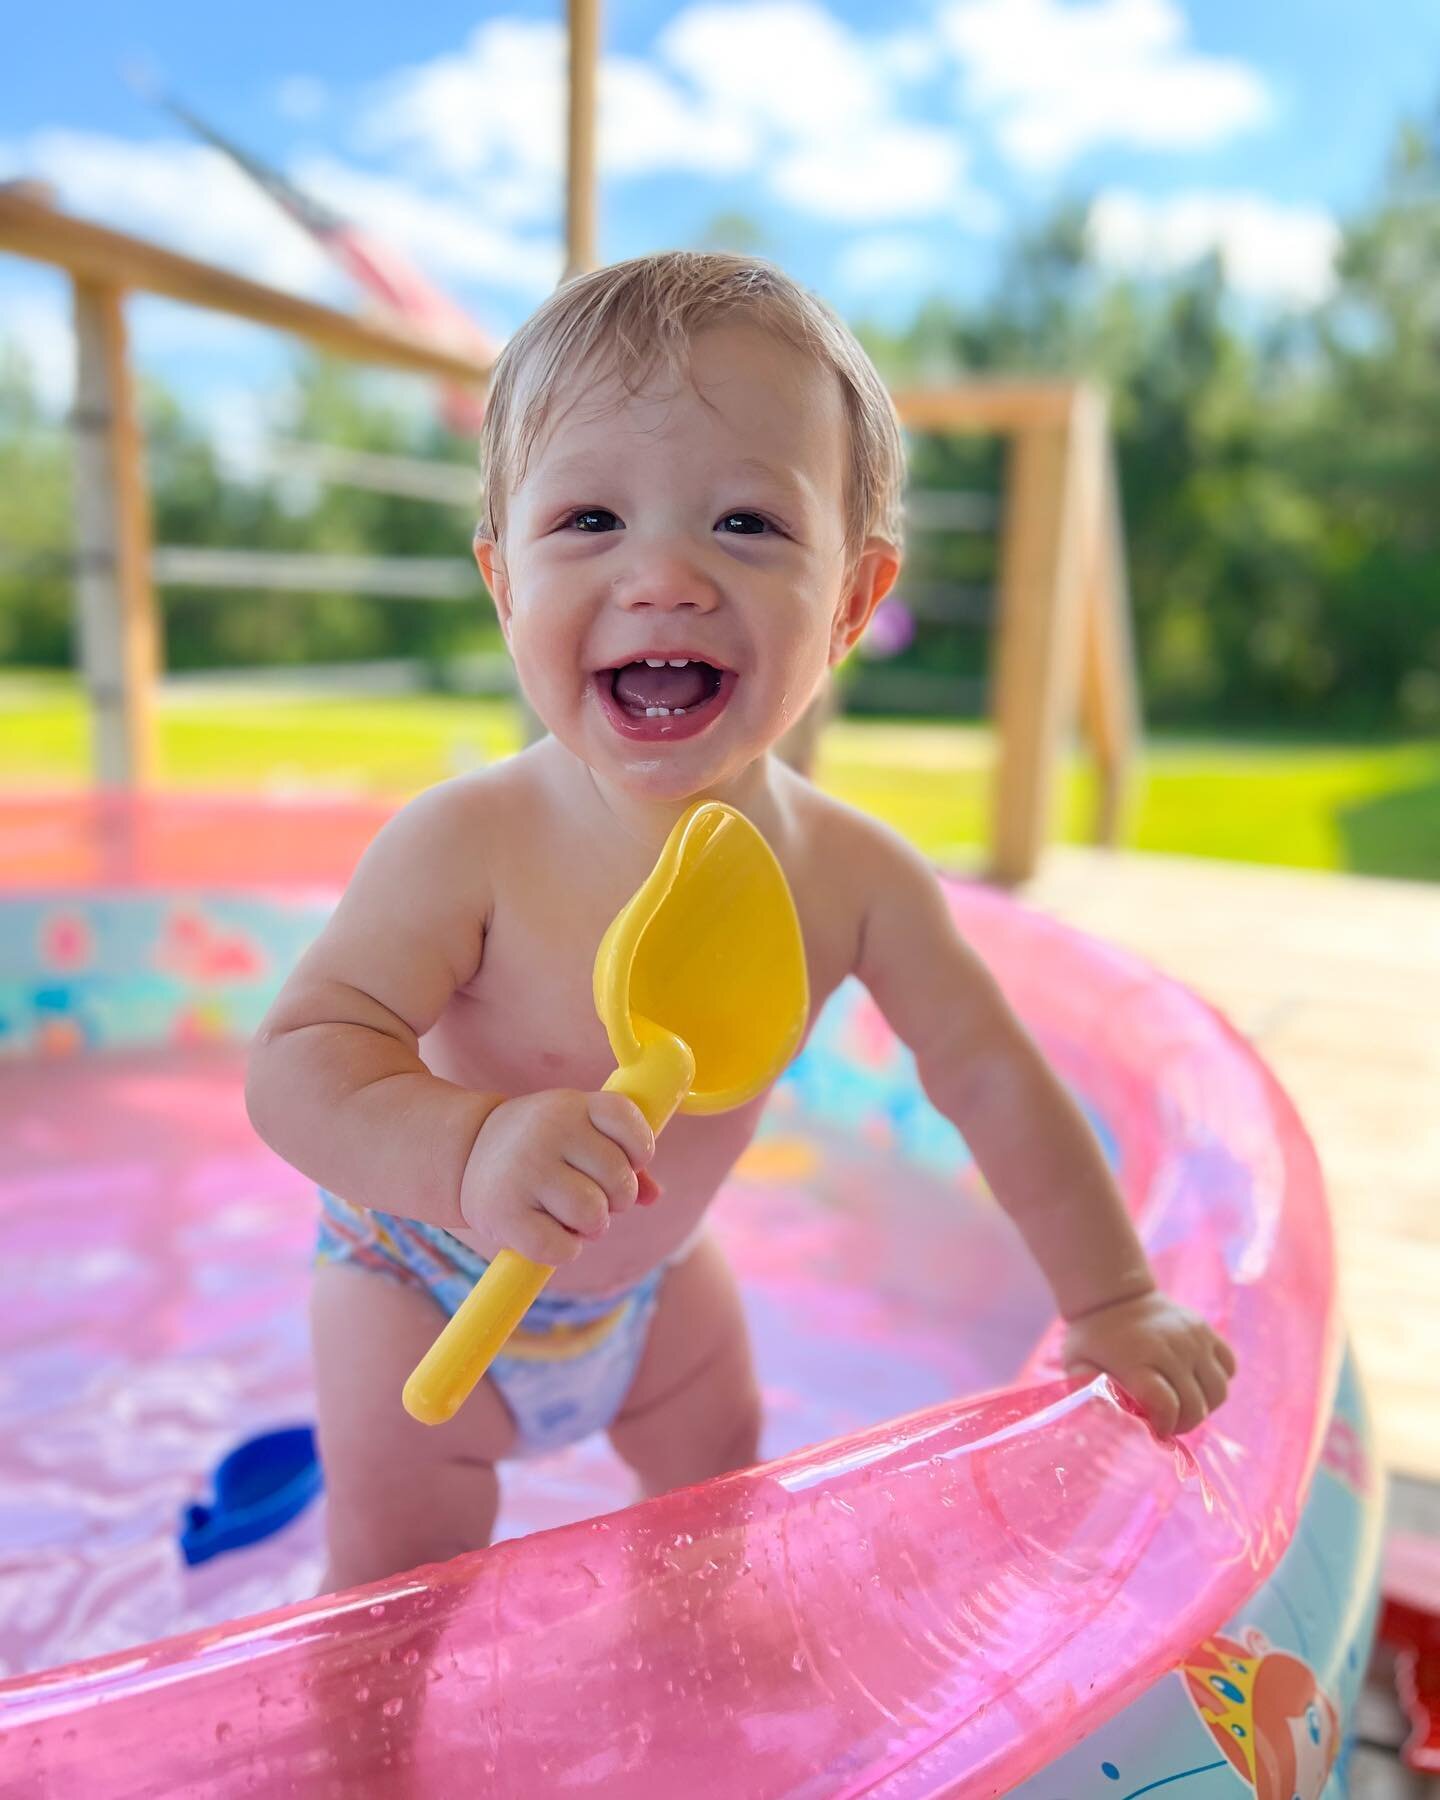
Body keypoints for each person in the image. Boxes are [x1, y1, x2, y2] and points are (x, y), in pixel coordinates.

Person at [245, 252, 1237, 1593]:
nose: (663, 577)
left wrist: (1113, 1299)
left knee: (720, 1514)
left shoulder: (856, 877)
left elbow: (993, 1078)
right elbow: (299, 1066)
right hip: (415, 1272)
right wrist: (472, 1149)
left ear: (851, 605)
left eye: (748, 526)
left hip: (652, 1296)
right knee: (395, 1593)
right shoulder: (466, 844)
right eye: (589, 519)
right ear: (503, 584)